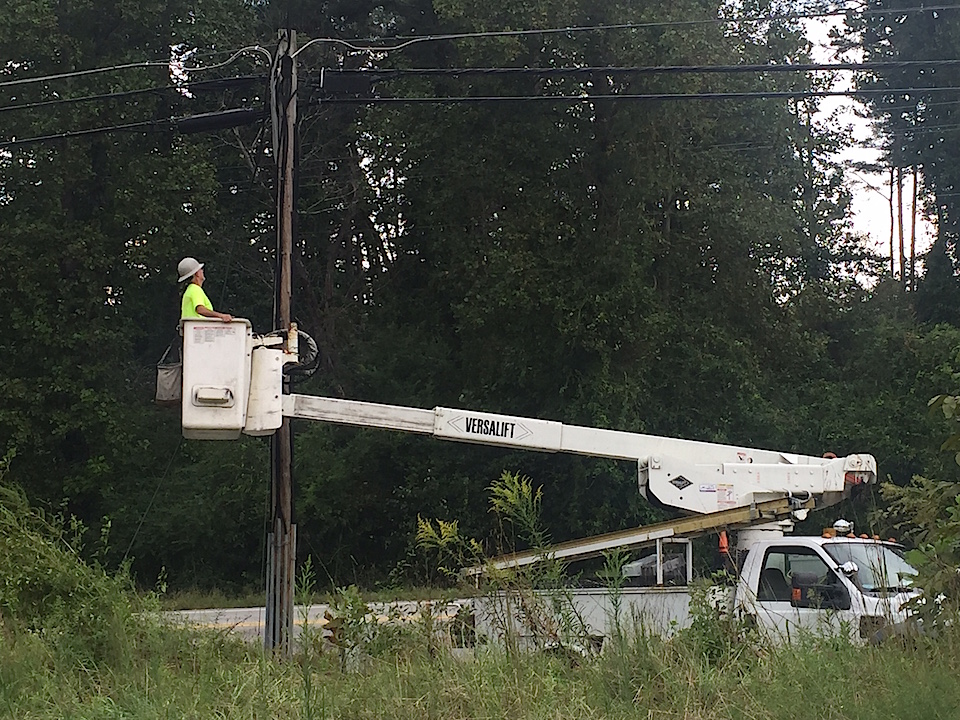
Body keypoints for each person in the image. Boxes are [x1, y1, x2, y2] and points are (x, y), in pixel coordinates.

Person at [178, 257, 233, 322]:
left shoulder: (190, 289)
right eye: (200, 269)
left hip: (191, 330)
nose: (202, 271)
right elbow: (200, 309)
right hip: (195, 330)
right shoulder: (195, 289)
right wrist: (221, 316)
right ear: (197, 274)